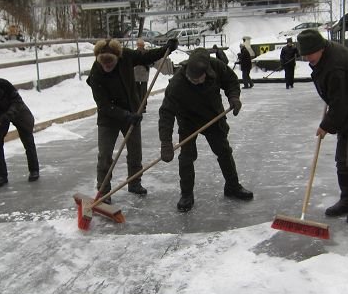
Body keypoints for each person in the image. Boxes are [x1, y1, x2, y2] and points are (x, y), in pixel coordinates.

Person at [297, 29, 348, 224]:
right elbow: (338, 99)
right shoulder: (324, 57)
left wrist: (326, 125)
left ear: (320, 48)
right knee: (341, 159)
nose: (307, 58)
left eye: (310, 54)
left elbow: (341, 102)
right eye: (304, 54)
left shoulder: (337, 66)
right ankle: (347, 198)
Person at [158, 47, 253, 212]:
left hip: (212, 116)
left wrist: (234, 97)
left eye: (198, 79)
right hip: (188, 120)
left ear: (206, 72)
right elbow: (166, 113)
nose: (195, 82)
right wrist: (165, 142)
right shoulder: (177, 84)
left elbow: (231, 80)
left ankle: (232, 186)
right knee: (187, 157)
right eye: (191, 79)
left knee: (224, 151)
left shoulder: (216, 66)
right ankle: (186, 194)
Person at [87, 37, 177, 201]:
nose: (107, 67)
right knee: (105, 154)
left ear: (117, 58)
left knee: (135, 151)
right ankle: (103, 190)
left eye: (111, 64)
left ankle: (134, 182)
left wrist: (166, 49)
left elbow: (146, 57)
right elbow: (104, 105)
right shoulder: (96, 73)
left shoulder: (126, 56)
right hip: (109, 118)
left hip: (132, 112)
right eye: (104, 64)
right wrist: (125, 115)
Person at [133, 38, 149, 112]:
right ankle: (139, 105)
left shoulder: (146, 53)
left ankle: (143, 106)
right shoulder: (135, 53)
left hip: (143, 74)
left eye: (141, 45)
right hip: (137, 74)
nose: (140, 46)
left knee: (143, 91)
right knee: (138, 91)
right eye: (139, 45)